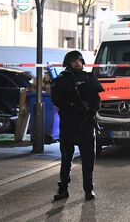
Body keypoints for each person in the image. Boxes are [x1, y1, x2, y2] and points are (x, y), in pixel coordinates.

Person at [51, 50, 104, 201]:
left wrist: (92, 110)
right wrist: (72, 106)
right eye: (74, 61)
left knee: (88, 159)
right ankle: (63, 189)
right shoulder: (62, 79)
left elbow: (97, 99)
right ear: (68, 63)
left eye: (79, 60)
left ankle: (88, 189)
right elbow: (56, 100)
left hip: (86, 124)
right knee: (66, 159)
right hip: (69, 124)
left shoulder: (88, 77)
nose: (77, 63)